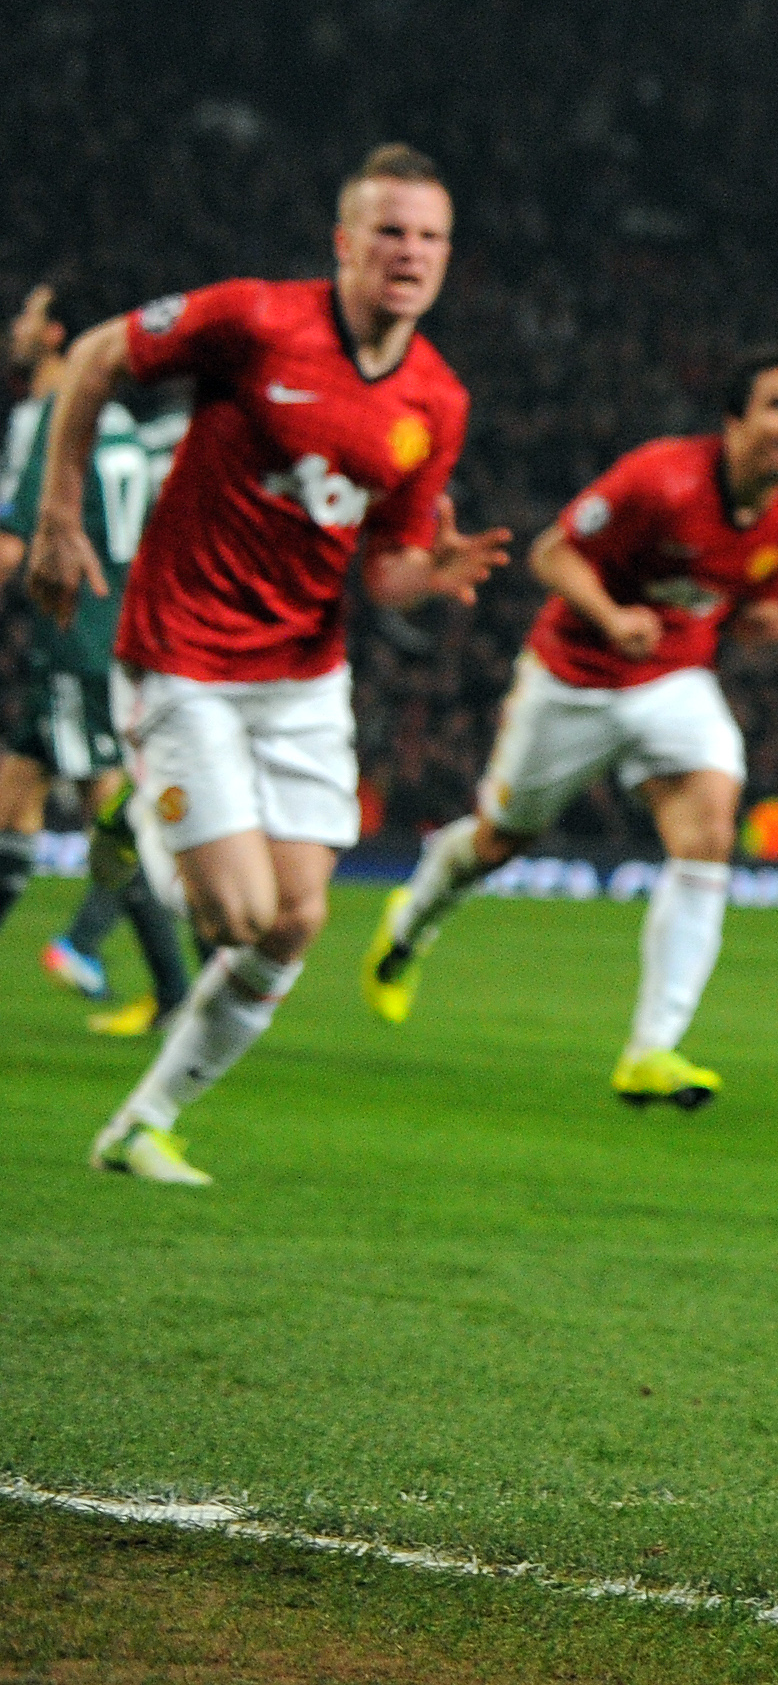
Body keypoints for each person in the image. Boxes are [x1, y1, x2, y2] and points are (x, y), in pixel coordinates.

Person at [54, 144, 509, 1184]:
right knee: (235, 915)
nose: (411, 252)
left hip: (302, 672)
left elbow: (383, 566)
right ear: (343, 243)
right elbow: (93, 357)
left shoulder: (438, 401)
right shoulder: (257, 320)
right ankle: (139, 824)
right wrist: (55, 516)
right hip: (184, 652)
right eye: (390, 231)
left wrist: (425, 575)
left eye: (430, 236)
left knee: (296, 919)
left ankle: (143, 1124)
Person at [358, 354, 778, 1104]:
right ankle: (412, 921)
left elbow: (738, 613)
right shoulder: (661, 477)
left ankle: (653, 1049)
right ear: (736, 420)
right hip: (574, 679)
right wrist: (611, 615)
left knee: (709, 834)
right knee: (499, 841)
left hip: (675, 680)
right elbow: (552, 553)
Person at [0, 287, 188, 1032]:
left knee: (112, 812)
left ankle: (94, 944)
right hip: (107, 639)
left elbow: (14, 540)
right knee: (15, 802)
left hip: (77, 644)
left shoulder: (47, 421)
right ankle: (174, 988)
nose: (13, 327)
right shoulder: (126, 429)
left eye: (25, 315)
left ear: (57, 335)